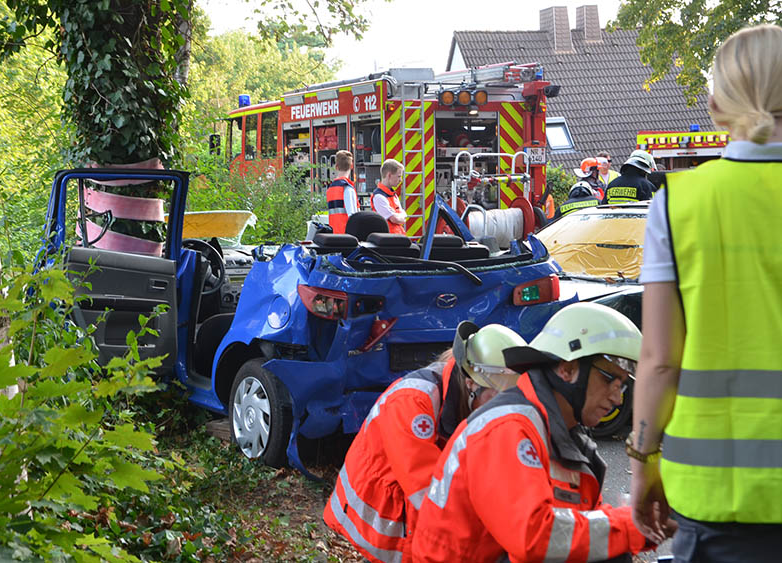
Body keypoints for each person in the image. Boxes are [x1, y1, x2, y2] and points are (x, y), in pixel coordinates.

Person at [630, 24, 782, 561]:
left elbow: (659, 361)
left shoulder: (678, 205)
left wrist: (643, 461)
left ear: (717, 101)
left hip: (717, 496)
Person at [411, 303, 670, 562]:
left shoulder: (564, 433)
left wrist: (640, 523)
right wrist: (633, 525)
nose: (616, 398)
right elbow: (534, 537)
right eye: (608, 379)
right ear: (567, 369)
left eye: (622, 386)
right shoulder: (507, 428)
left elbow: (579, 522)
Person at [324, 322, 525, 563]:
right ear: (472, 383)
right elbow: (428, 493)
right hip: (382, 516)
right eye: (496, 398)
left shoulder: (466, 396)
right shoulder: (412, 402)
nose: (500, 409)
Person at [325, 150, 358, 234]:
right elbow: (352, 216)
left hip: (335, 234)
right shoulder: (347, 188)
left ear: (336, 167)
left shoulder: (330, 189)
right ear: (351, 166)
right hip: (347, 235)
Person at [372, 159, 407, 235]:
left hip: (396, 238)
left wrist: (400, 216)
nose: (400, 180)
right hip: (388, 240)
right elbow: (395, 218)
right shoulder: (379, 196)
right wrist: (400, 216)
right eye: (398, 176)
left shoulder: (393, 195)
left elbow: (402, 216)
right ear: (389, 175)